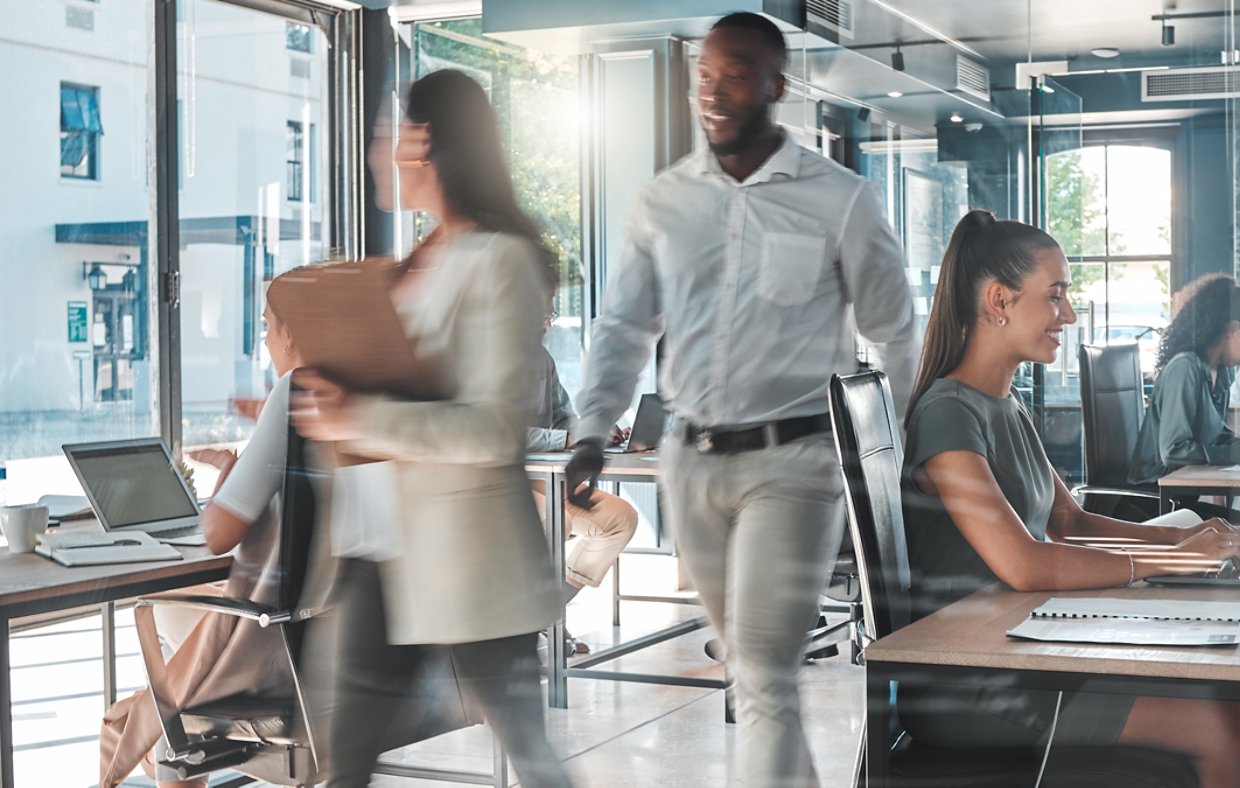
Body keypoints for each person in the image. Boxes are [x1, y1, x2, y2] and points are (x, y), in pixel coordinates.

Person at [564, 12, 918, 786]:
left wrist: (898, 451)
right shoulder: (663, 201)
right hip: (689, 466)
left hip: (794, 465)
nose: (714, 93)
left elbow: (895, 333)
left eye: (736, 74)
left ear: (775, 86)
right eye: (705, 75)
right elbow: (623, 326)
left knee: (759, 671)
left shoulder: (841, 199)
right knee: (758, 682)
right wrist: (591, 430)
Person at [901, 209, 1240, 788]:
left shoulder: (1005, 403)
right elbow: (1023, 563)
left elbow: (1068, 519)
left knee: (1237, 702)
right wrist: (1172, 560)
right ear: (999, 299)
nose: (1068, 314)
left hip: (1022, 647)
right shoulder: (949, 414)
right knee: (1222, 726)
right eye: (1056, 296)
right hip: (970, 681)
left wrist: (1183, 539)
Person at [292, 69, 571, 787]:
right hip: (373, 548)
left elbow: (491, 433)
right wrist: (331, 405)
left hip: (469, 562)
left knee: (532, 761)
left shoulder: (498, 262)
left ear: (425, 140)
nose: (379, 150)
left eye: (389, 132)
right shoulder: (407, 264)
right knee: (342, 762)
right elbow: (395, 397)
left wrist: (359, 414)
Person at [99, 296, 306, 788]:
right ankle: (166, 722)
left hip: (276, 653)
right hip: (322, 643)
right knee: (171, 684)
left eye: (268, 327)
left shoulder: (295, 390)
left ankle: (158, 728)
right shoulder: (359, 399)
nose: (266, 341)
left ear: (293, 335)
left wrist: (225, 494)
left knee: (146, 689)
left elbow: (217, 535)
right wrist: (233, 478)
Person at [1127, 274, 1240, 492]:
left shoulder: (1223, 372)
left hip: (1184, 495)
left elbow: (1217, 438)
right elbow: (1174, 452)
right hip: (1155, 499)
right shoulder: (1185, 367)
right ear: (1232, 330)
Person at [528, 341, 640, 655]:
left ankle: (545, 612)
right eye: (543, 312)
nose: (547, 323)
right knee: (558, 520)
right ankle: (534, 620)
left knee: (620, 519)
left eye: (550, 315)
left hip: (545, 477)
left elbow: (563, 416)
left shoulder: (541, 356)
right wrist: (566, 439)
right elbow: (498, 432)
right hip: (503, 481)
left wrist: (592, 431)